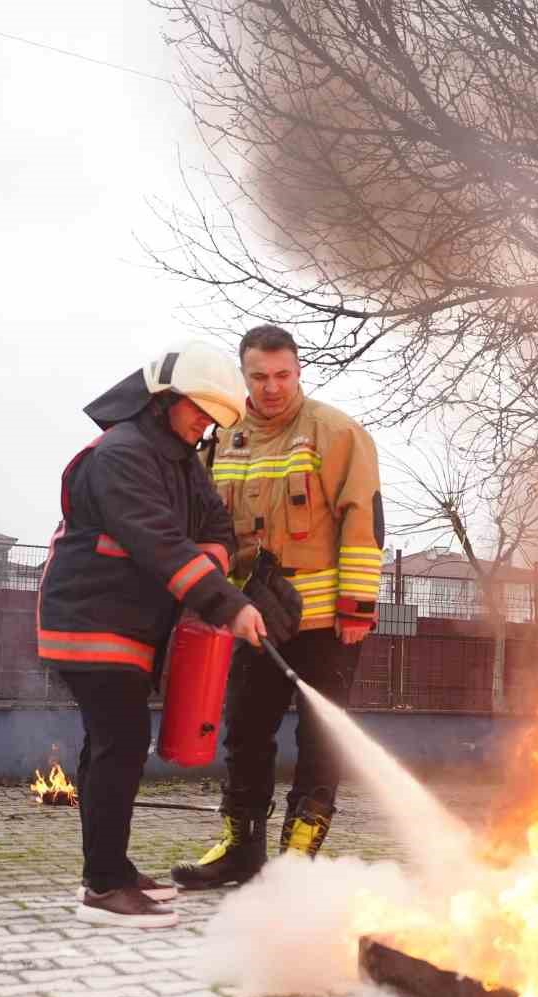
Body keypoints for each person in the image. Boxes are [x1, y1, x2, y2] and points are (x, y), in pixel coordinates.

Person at [38, 342, 268, 928]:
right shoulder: (122, 454)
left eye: (215, 418)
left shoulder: (181, 459)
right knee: (121, 742)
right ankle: (103, 886)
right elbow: (159, 543)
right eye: (199, 410)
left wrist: (212, 569)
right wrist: (227, 603)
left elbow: (214, 524)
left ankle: (107, 866)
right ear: (165, 397)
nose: (205, 425)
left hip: (128, 625)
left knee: (108, 746)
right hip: (92, 621)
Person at [172, 324, 384, 889]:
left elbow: (364, 520)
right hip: (252, 620)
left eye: (283, 375)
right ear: (243, 377)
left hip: (326, 626)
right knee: (243, 733)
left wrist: (357, 608)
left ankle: (298, 859)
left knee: (320, 738)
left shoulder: (335, 433)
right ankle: (241, 848)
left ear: (298, 371)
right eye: (259, 377)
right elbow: (207, 528)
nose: (271, 388)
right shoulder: (222, 439)